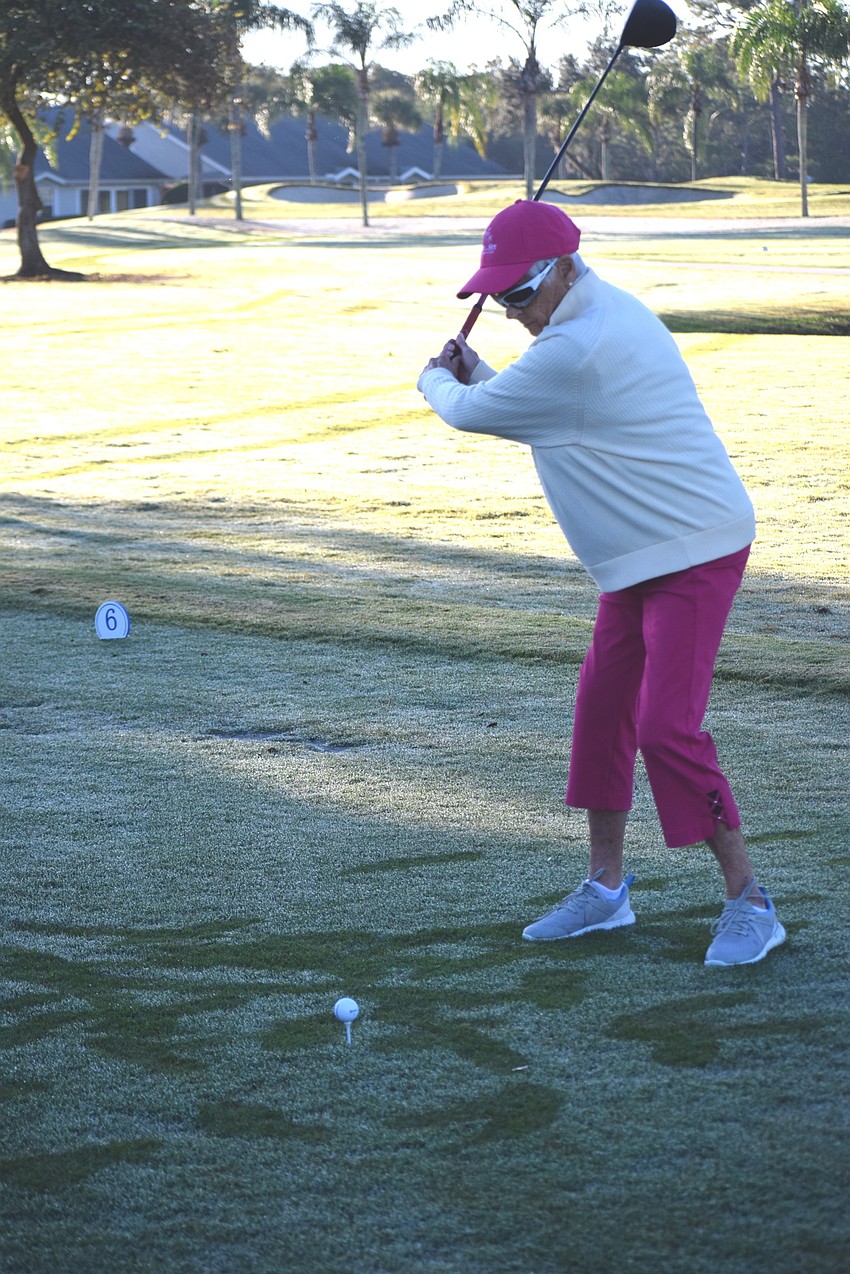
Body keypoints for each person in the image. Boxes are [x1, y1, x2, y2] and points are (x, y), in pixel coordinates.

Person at [417, 199, 786, 968]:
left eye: (520, 293)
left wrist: (437, 379)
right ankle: (606, 890)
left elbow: (475, 412)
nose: (512, 311)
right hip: (637, 560)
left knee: (665, 728)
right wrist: (478, 369)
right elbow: (545, 406)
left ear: (564, 270)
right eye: (501, 295)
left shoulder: (577, 347)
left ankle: (751, 900)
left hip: (693, 549)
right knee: (601, 711)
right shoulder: (586, 323)